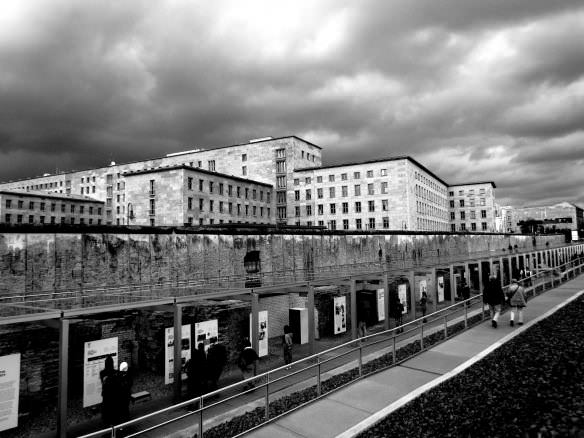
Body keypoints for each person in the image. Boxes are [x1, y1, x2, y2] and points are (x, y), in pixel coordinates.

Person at [100, 355, 116, 425]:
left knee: (106, 409)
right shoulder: (115, 372)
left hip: (106, 393)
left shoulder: (102, 373)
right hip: (113, 393)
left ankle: (106, 422)